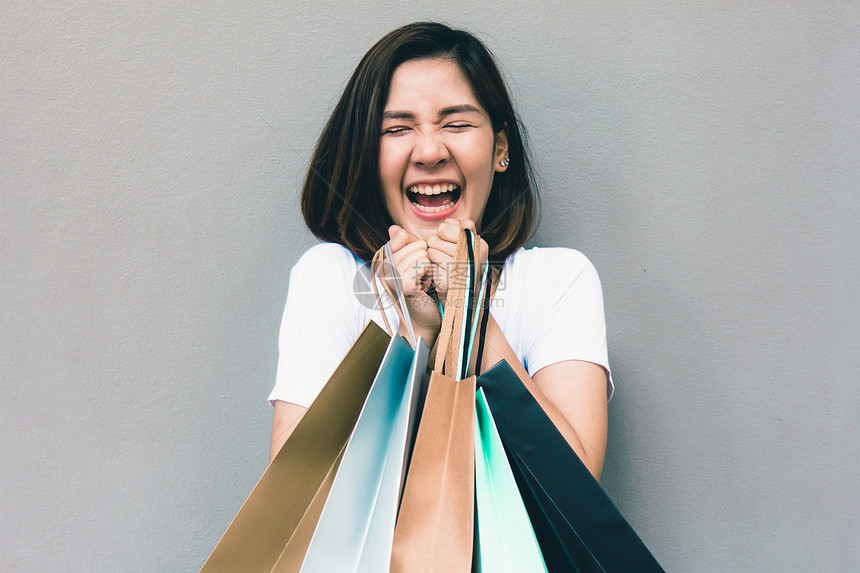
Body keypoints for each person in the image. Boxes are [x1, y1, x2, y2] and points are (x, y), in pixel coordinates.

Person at [268, 22, 611, 480]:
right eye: (397, 128)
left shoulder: (559, 279)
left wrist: (469, 320)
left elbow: (577, 485)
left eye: (456, 124)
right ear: (369, 156)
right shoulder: (328, 279)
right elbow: (295, 496)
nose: (429, 151)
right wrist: (412, 335)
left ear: (500, 148)